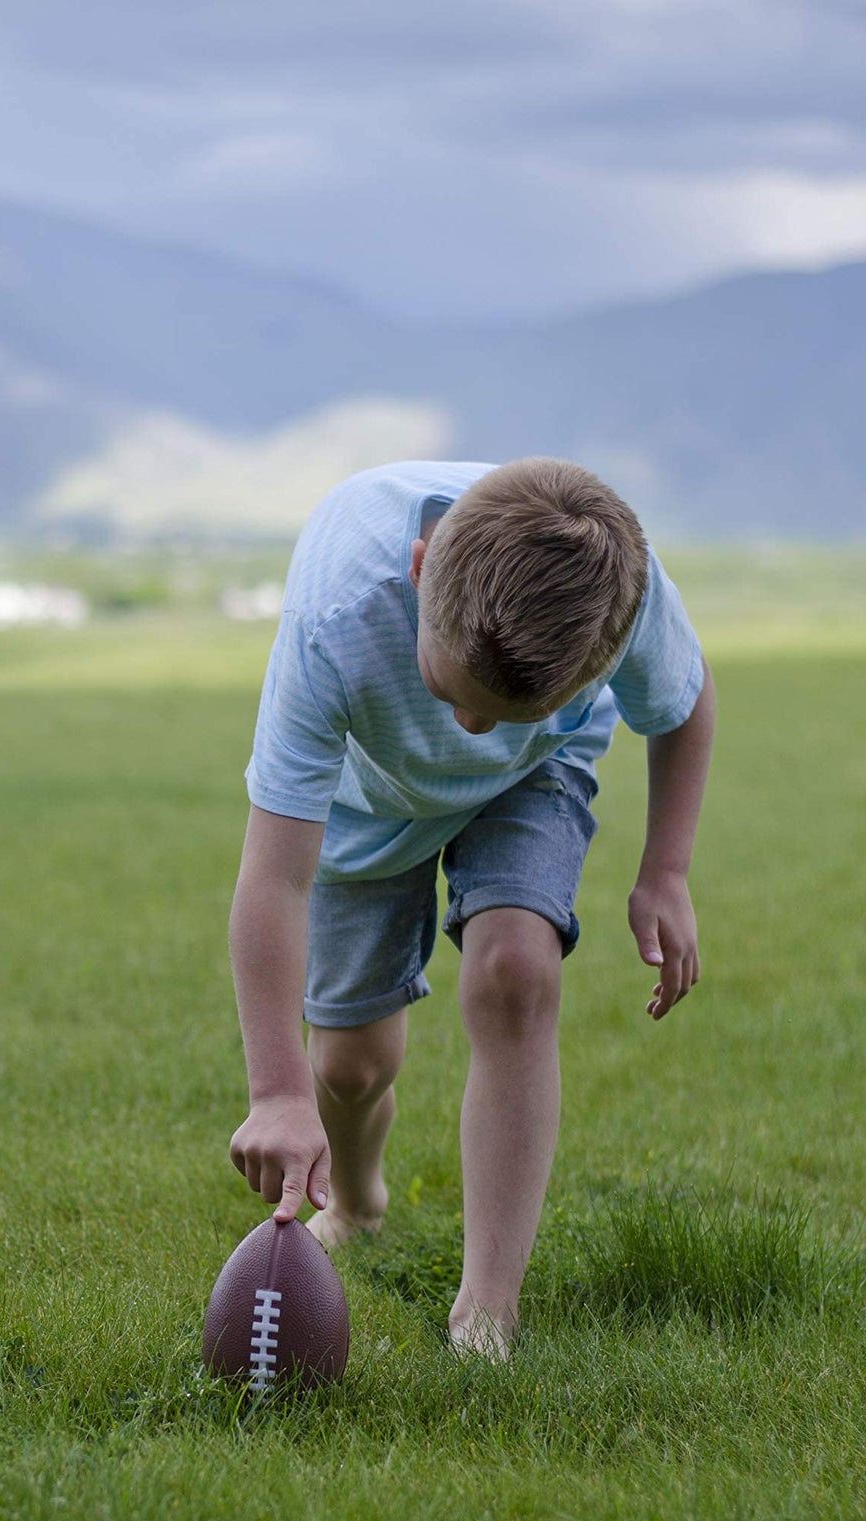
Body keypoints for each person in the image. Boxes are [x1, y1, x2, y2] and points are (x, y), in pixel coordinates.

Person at [228, 458, 714, 1359]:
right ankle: (363, 1199)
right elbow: (273, 880)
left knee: (516, 973)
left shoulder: (621, 594)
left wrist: (667, 870)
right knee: (350, 1065)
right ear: (420, 574)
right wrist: (278, 1092)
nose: (476, 733)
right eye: (456, 696)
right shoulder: (336, 620)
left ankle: (487, 1311)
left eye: (508, 712)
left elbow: (683, 702)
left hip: (536, 783)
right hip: (368, 803)